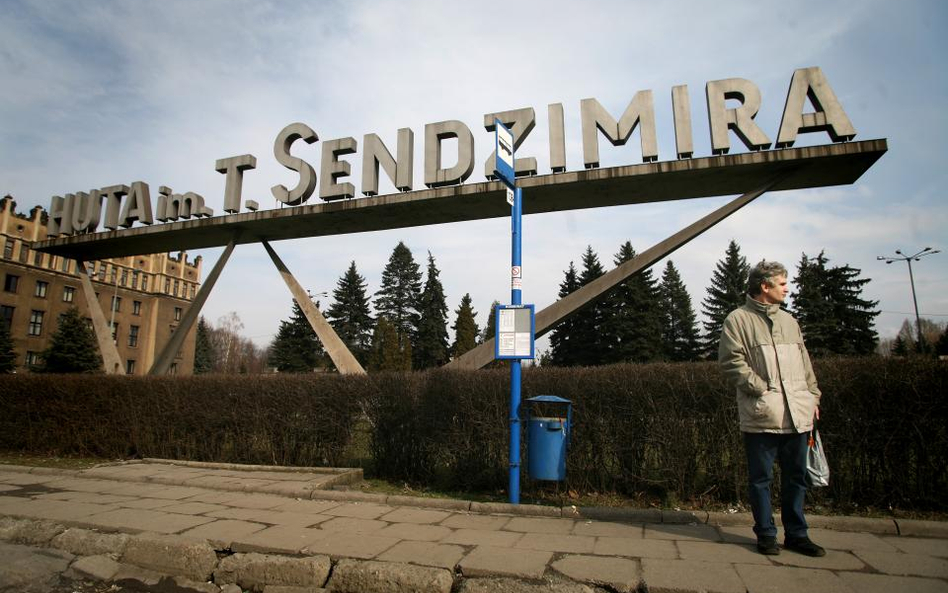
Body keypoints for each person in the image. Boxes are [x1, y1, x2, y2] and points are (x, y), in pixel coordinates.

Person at [718, 260, 826, 557]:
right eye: (781, 283)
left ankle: (797, 535)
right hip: (763, 414)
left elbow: (805, 364)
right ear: (764, 287)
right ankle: (766, 534)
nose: (786, 288)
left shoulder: (790, 321)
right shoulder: (737, 320)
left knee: (797, 477)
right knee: (761, 479)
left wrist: (812, 397)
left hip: (797, 414)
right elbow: (730, 362)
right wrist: (761, 389)